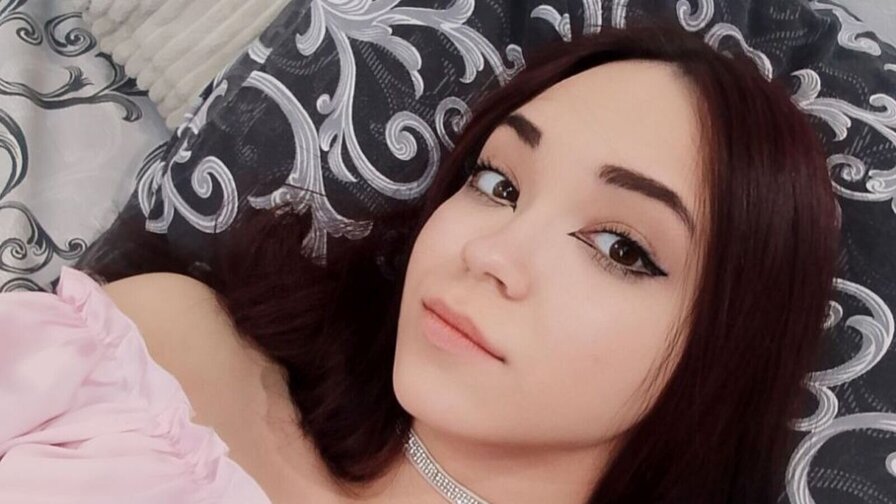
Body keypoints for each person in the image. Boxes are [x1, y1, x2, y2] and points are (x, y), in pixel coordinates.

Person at [0, 24, 840, 503]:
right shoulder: (158, 356)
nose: (490, 253)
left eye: (620, 248)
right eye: (497, 183)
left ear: (726, 346)